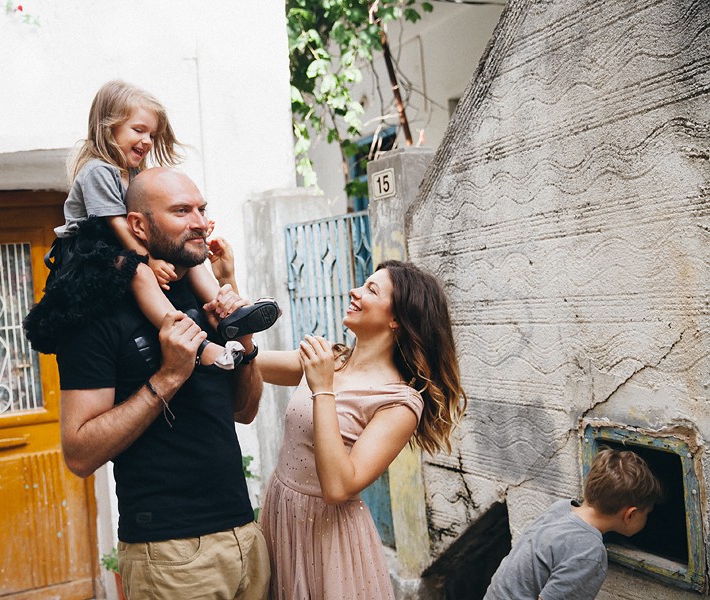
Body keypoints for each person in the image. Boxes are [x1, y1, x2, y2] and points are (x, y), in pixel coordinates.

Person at [55, 167, 270, 599]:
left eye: (202, 209)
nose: (200, 221)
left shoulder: (197, 292)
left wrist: (241, 337)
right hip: (169, 556)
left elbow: (244, 411)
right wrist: (168, 377)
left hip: (244, 536)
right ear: (137, 225)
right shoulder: (94, 314)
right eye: (181, 211)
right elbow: (78, 453)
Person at [24, 79, 279, 366]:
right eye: (138, 130)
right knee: (141, 274)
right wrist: (147, 260)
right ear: (108, 128)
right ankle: (197, 345)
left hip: (119, 245)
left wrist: (192, 231)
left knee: (190, 261)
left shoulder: (132, 175)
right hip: (87, 252)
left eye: (152, 135)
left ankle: (229, 312)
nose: (146, 141)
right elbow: (116, 224)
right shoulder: (98, 170)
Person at [255, 260, 467, 599]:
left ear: (396, 319)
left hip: (329, 538)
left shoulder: (400, 402)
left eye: (371, 289)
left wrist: (322, 388)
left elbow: (339, 488)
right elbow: (248, 362)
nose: (354, 291)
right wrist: (227, 283)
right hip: (282, 514)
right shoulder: (332, 358)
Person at [484, 447, 663, 600]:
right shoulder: (589, 552)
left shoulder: (561, 508)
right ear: (629, 515)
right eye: (647, 514)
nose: (647, 519)